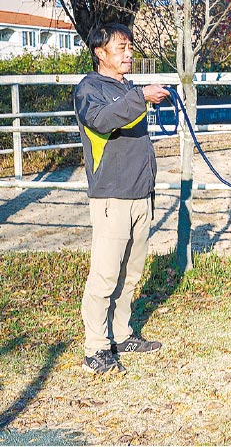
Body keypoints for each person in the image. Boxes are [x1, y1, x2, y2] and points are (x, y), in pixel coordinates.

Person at [73, 23, 170, 375]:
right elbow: (100, 122)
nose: (129, 53)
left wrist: (139, 96)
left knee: (131, 272)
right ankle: (95, 348)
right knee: (104, 274)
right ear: (101, 52)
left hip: (140, 194)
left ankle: (121, 332)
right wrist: (140, 97)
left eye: (130, 47)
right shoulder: (89, 89)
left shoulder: (127, 87)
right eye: (121, 48)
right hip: (111, 197)